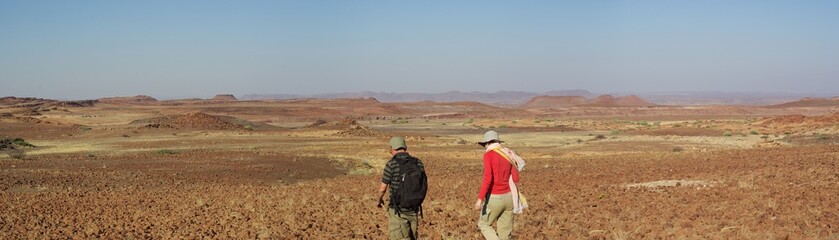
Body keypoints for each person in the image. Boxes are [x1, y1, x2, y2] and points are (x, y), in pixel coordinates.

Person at [474, 130, 526, 240]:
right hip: (510, 198)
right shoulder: (508, 153)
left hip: (495, 198)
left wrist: (479, 199)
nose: (484, 147)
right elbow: (516, 178)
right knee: (504, 234)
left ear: (488, 143)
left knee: (483, 224)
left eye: (484, 144)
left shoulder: (489, 155)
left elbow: (488, 179)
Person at [376, 136, 427, 240]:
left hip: (397, 211)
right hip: (414, 209)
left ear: (392, 149)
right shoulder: (418, 162)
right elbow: (424, 184)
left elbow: (382, 189)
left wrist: (379, 199)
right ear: (405, 147)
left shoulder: (391, 164)